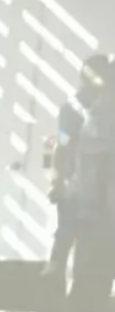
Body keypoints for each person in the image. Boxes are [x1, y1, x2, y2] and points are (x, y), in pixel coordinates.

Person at [45, 54, 110, 281]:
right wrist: (56, 180)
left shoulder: (85, 106)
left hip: (86, 187)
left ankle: (56, 288)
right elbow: (59, 144)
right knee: (66, 241)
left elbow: (56, 144)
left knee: (68, 242)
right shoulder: (77, 107)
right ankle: (54, 289)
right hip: (79, 186)